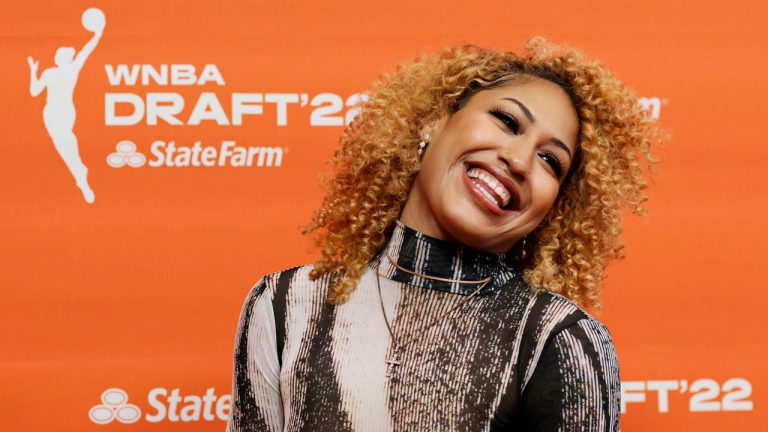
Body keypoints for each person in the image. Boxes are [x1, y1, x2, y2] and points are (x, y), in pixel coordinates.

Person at [227, 37, 657, 432]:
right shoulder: (286, 304)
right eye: (507, 121)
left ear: (554, 208)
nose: (519, 160)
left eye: (550, 160)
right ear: (434, 121)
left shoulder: (556, 338)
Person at [27, 22, 103, 204]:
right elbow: (34, 92)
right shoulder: (62, 71)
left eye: (58, 54)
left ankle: (80, 174)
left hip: (60, 111)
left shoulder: (62, 70)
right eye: (56, 54)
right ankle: (80, 172)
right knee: (63, 143)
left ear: (64, 58)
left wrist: (97, 34)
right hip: (56, 112)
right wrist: (33, 71)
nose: (55, 56)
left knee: (64, 143)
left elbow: (86, 51)